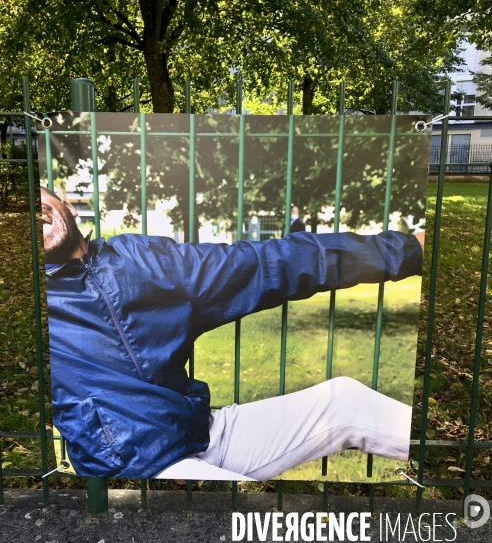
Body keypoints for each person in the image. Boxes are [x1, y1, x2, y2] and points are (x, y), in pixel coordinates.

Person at [40, 186, 424, 479]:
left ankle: (466, 458)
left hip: (200, 433)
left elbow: (270, 263)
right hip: (137, 471)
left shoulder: (143, 260)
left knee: (347, 401)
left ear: (68, 206)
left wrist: (410, 250)